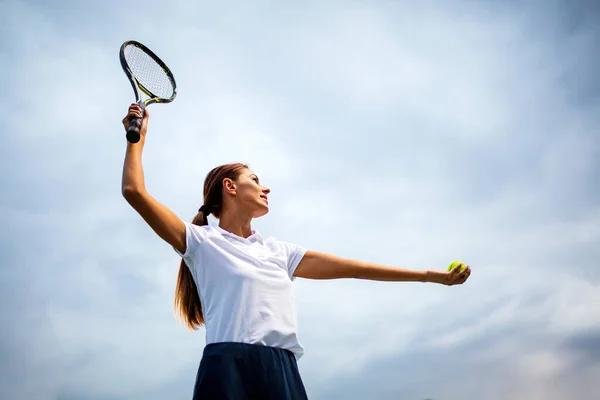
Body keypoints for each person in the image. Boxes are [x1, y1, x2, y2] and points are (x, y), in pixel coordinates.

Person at [121, 104, 471, 400]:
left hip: (282, 370)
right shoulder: (200, 242)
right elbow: (134, 191)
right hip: (227, 366)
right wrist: (138, 139)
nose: (265, 187)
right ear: (230, 187)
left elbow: (356, 268)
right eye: (255, 179)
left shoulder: (279, 251)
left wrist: (430, 277)